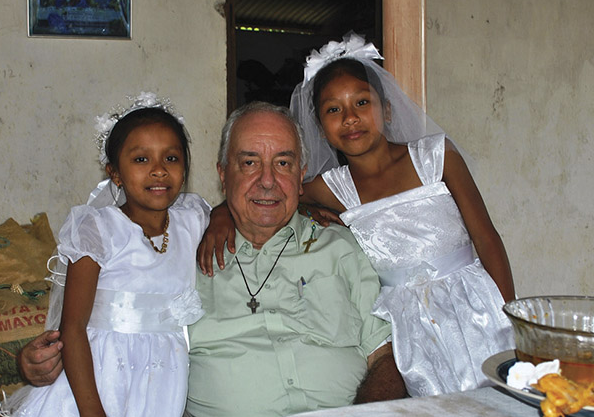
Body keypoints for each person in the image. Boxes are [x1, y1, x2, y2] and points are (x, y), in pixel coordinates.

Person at [16, 101, 406, 417]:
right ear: (223, 174)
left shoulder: (339, 246)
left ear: (302, 175)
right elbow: (92, 320)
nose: (268, 181)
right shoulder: (185, 251)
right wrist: (35, 362)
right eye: (249, 163)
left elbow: (386, 356)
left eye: (283, 164)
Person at [198, 33, 515, 398]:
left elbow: (487, 238)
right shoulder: (330, 188)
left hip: (474, 309)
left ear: (388, 109)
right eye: (333, 109)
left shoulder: (435, 157)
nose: (350, 118)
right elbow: (267, 192)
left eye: (362, 102)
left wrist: (509, 318)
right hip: (408, 330)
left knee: (501, 400)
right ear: (319, 127)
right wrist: (220, 214)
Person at [0, 93, 210, 417]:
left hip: (161, 381)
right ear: (116, 173)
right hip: (98, 378)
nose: (158, 171)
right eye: (141, 160)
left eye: (171, 158)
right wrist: (92, 414)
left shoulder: (193, 220)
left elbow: (234, 215)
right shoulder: (98, 229)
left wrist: (222, 217)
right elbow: (74, 325)